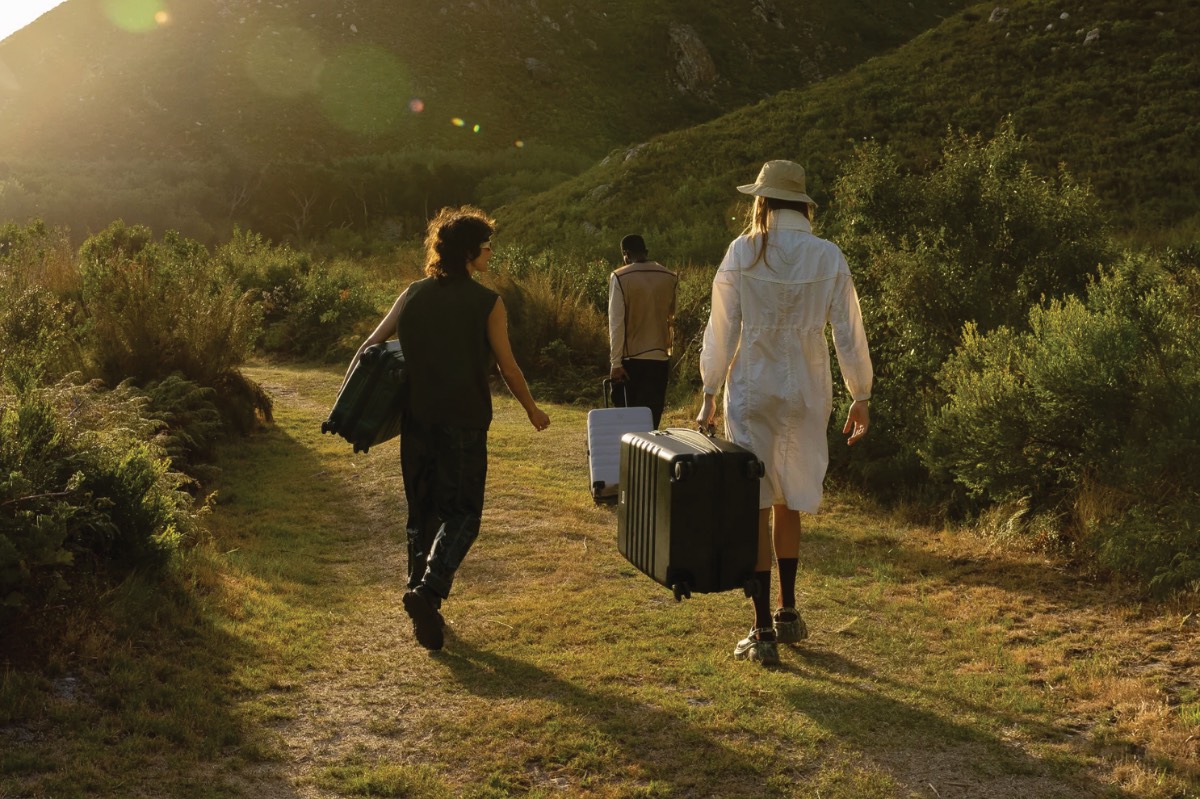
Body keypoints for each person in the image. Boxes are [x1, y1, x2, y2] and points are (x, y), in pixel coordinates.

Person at [348, 205, 551, 651]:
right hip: (464, 424)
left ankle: (425, 610)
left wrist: (350, 403)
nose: (490, 251)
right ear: (468, 252)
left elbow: (369, 348)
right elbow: (508, 366)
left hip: (417, 422)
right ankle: (428, 591)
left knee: (423, 513)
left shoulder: (413, 294)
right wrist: (532, 410)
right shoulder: (487, 302)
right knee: (462, 515)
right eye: (485, 245)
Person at [696, 160, 873, 666]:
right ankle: (789, 611)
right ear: (803, 205)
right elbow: (848, 330)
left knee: (754, 500)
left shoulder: (744, 251)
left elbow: (722, 327)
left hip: (753, 384)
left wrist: (710, 389)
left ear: (763, 202)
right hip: (808, 387)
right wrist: (860, 394)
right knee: (788, 498)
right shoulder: (827, 255)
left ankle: (761, 629)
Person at [608, 233, 678, 428]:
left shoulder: (620, 276)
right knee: (651, 421)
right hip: (660, 358)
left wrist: (615, 362)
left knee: (628, 423)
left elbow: (616, 323)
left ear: (626, 254)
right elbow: (671, 317)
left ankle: (630, 459)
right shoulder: (669, 277)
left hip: (631, 360)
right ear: (646, 252)